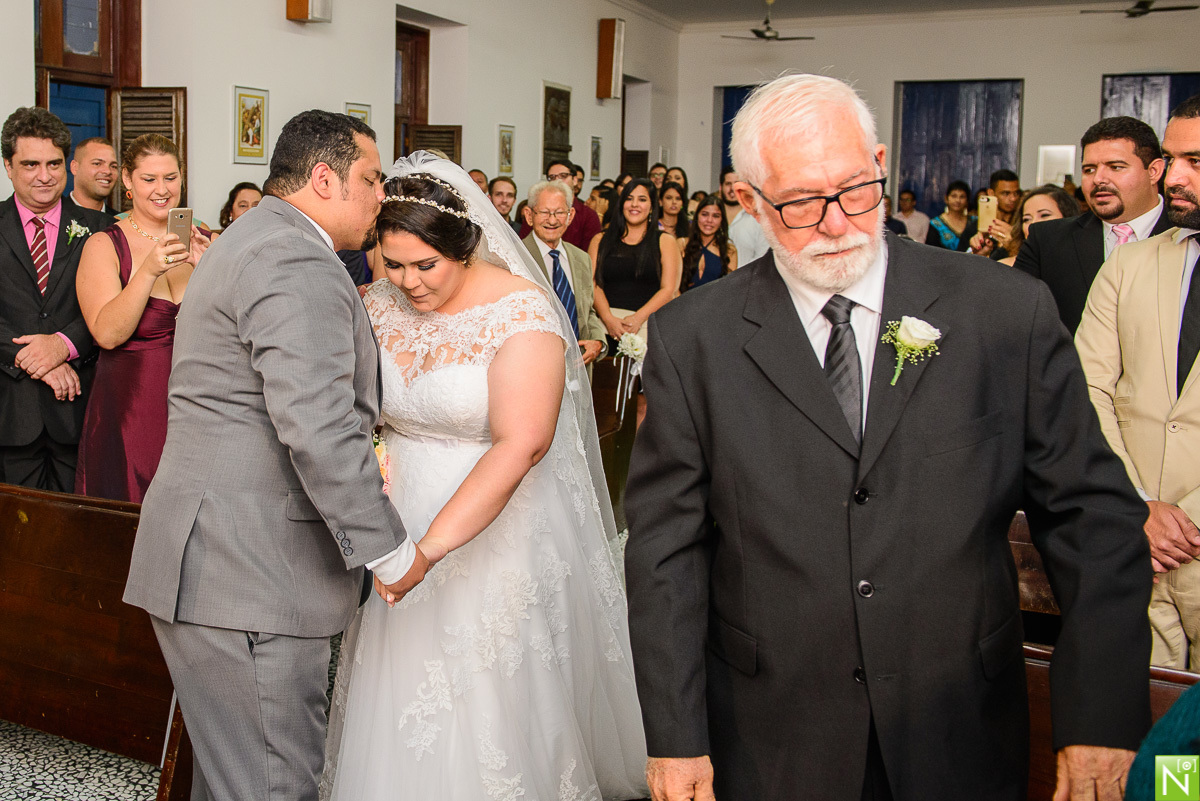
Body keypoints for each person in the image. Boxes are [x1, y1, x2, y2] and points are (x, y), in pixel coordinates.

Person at [624, 73, 1152, 801]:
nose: (838, 222)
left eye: (857, 189)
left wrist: (1099, 714)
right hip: (771, 731)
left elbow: (1094, 519)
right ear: (747, 200)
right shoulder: (693, 338)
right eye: (803, 202)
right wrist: (676, 738)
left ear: (879, 162)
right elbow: (665, 549)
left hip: (958, 719)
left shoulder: (1004, 313)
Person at [321, 152, 648, 801]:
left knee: (486, 689)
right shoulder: (374, 301)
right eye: (394, 263)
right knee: (399, 676)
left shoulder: (521, 313)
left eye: (426, 265)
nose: (408, 281)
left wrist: (430, 549)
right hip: (399, 512)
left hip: (492, 523)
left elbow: (523, 443)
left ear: (465, 247)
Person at [123, 110, 428, 801]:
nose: (382, 195)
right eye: (371, 179)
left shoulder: (251, 236)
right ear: (324, 179)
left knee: (234, 781)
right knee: (272, 785)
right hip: (250, 572)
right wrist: (388, 549)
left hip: (215, 558)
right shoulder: (296, 257)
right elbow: (318, 425)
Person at [1075, 94, 1200, 671]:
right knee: (1159, 739)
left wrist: (1187, 522)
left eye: (1194, 161)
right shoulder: (1129, 264)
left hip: (1188, 539)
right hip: (1135, 544)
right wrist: (1138, 505)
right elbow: (1088, 389)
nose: (1173, 177)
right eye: (1171, 160)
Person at [74, 134, 211, 503]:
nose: (162, 189)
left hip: (199, 406)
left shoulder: (205, 239)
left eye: (171, 177)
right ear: (129, 183)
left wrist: (210, 271)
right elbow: (107, 334)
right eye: (149, 179)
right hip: (132, 410)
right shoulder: (104, 245)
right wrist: (147, 271)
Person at [0, 107, 111, 491]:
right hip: (10, 410)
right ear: (8, 167)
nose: (44, 176)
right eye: (30, 164)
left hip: (80, 406)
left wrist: (63, 346)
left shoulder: (101, 229)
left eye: (53, 163)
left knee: (79, 534)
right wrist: (36, 360)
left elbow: (111, 306)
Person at [1015, 116, 1172, 333]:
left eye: (1115, 167)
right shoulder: (1047, 241)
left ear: (1154, 171)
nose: (1098, 179)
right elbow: (1016, 323)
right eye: (1089, 169)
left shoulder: (1189, 236)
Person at [522, 179, 607, 366]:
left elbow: (587, 311)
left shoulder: (581, 258)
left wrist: (598, 341)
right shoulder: (516, 258)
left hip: (579, 367)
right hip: (534, 366)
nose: (552, 220)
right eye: (544, 212)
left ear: (570, 215)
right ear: (529, 215)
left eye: (560, 212)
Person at [589, 178, 681, 341]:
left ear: (652, 206)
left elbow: (668, 289)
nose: (634, 205)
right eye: (629, 199)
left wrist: (638, 318)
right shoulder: (600, 239)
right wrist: (608, 319)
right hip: (605, 326)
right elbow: (592, 283)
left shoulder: (665, 241)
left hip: (648, 325)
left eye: (642, 199)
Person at [520, 159, 602, 251]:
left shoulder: (588, 215)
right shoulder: (536, 210)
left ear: (575, 180)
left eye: (563, 176)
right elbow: (524, 244)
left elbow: (590, 254)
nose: (557, 180)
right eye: (552, 177)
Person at [996, 185, 1078, 267]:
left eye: (1044, 215)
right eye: (1027, 219)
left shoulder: (1081, 265)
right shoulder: (1004, 268)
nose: (1033, 224)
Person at [677, 193, 736, 292]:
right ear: (697, 217)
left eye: (716, 216)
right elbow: (673, 286)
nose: (709, 220)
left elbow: (730, 290)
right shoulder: (682, 244)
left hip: (716, 305)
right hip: (682, 304)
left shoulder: (730, 250)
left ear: (722, 220)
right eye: (704, 214)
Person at [967, 169, 1022, 258]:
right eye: (1006, 193)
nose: (1013, 198)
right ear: (991, 193)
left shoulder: (1022, 226)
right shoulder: (975, 229)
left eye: (1016, 193)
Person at [720, 167, 770, 264]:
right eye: (728, 184)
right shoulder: (711, 218)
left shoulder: (757, 219)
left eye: (736, 183)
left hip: (746, 277)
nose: (732, 188)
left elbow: (761, 257)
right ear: (720, 187)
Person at [69, 137, 118, 218]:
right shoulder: (56, 218)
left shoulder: (121, 223)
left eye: (113, 166)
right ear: (74, 167)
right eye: (97, 164)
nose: (108, 171)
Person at [924, 180, 977, 251]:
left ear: (967, 201)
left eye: (962, 197)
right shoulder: (936, 224)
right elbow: (930, 252)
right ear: (946, 199)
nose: (958, 200)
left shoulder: (975, 221)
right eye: (954, 196)